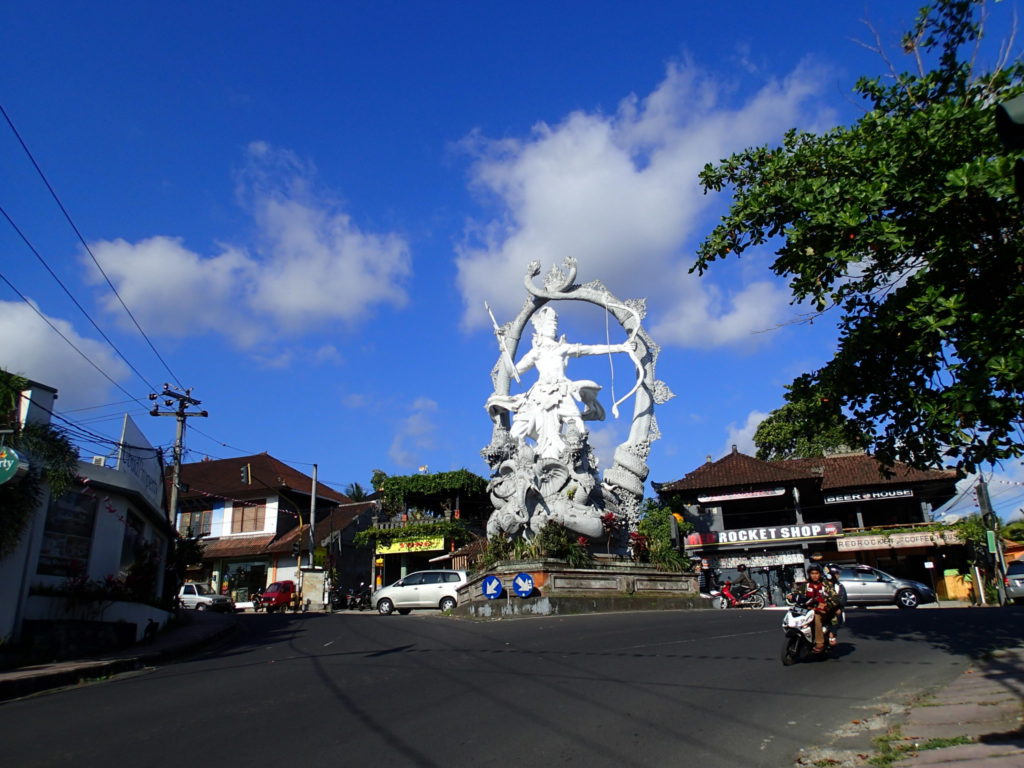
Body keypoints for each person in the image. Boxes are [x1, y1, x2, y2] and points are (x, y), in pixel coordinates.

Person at [486, 306, 634, 459]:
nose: (554, 328)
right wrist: (503, 349)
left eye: (555, 326)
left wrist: (621, 347)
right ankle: (517, 464)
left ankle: (580, 460)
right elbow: (511, 373)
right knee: (517, 430)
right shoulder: (536, 352)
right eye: (550, 325)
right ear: (541, 329)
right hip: (539, 395)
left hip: (561, 392)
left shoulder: (562, 348)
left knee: (577, 424)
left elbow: (591, 349)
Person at [801, 563, 840, 653]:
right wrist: (791, 595)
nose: (814, 576)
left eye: (816, 573)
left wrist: (826, 604)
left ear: (820, 574)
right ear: (809, 574)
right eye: (812, 573)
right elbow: (796, 593)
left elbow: (835, 599)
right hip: (807, 610)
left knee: (816, 616)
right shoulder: (806, 585)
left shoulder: (826, 584)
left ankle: (820, 643)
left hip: (823, 612)